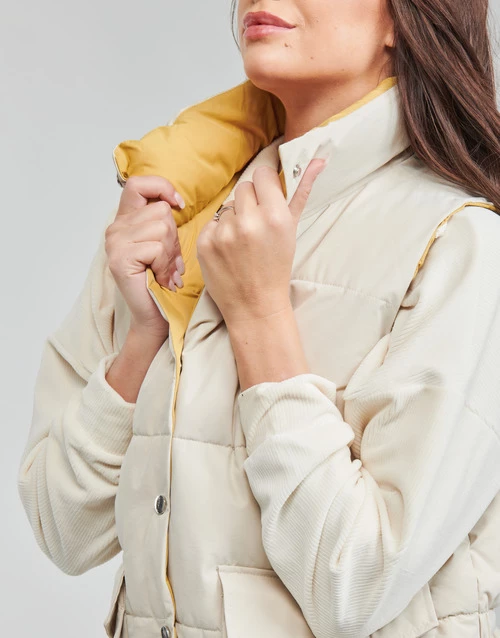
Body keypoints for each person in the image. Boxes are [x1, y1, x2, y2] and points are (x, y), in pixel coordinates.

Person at [18, 0, 500, 637]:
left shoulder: (460, 245)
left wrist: (260, 315)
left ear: (401, 18)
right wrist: (145, 338)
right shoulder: (172, 212)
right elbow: (62, 530)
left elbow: (356, 585)